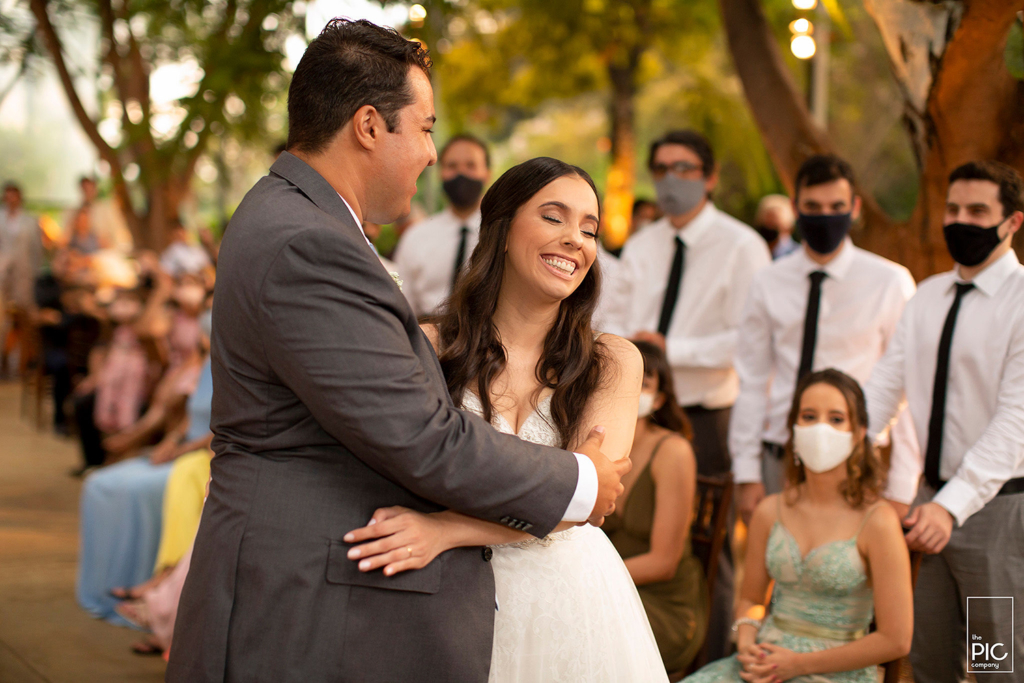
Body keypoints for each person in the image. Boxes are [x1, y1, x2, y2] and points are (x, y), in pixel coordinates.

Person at [167, 20, 627, 683]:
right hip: (309, 596)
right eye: (427, 126)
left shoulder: (295, 219)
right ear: (368, 126)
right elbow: (422, 436)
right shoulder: (309, 242)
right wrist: (581, 480)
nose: (434, 154)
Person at [345, 157, 668, 682]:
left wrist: (446, 529)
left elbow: (590, 501)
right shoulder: (429, 346)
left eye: (589, 229)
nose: (575, 240)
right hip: (450, 592)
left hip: (573, 600)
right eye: (554, 217)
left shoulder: (613, 361)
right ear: (500, 228)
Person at [865, 160, 1024, 681]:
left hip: (997, 512)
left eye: (978, 211)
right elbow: (884, 388)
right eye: (953, 209)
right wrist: (841, 455)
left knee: (995, 666)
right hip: (927, 508)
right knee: (931, 662)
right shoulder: (928, 295)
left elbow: (1015, 422)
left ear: (1012, 222)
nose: (961, 221)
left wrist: (950, 508)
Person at [686, 369, 913, 683]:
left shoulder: (878, 521)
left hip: (835, 671)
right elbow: (751, 600)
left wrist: (800, 665)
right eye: (809, 416)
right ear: (793, 428)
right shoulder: (770, 511)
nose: (821, 428)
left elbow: (896, 639)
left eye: (836, 419)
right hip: (767, 658)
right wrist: (748, 638)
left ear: (858, 432)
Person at [731, 155, 918, 527]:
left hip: (855, 458)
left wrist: (902, 485)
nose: (825, 216)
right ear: (795, 206)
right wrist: (746, 472)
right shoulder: (768, 282)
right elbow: (751, 381)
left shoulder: (890, 282)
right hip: (779, 456)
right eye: (813, 207)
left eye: (837, 207)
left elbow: (908, 388)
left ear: (856, 208)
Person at [610, 129, 771, 477]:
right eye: (661, 169)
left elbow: (748, 342)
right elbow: (611, 318)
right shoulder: (641, 245)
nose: (671, 179)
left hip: (704, 416)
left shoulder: (743, 247)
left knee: (705, 528)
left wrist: (669, 350)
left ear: (710, 177)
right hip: (635, 413)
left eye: (683, 168)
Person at [603, 340, 708, 672]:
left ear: (660, 399)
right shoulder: (589, 439)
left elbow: (664, 563)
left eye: (643, 383)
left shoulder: (673, 451)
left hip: (662, 602)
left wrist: (591, 578)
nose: (631, 387)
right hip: (607, 588)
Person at [394, 133, 491, 317]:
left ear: (487, 173)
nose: (461, 174)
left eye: (471, 165)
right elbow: (403, 306)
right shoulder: (416, 238)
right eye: (452, 166)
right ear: (441, 173)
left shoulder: (501, 234)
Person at [753, 193, 799, 259]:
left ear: (788, 227)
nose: (769, 228)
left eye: (774, 225)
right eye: (766, 223)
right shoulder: (754, 253)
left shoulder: (797, 255)